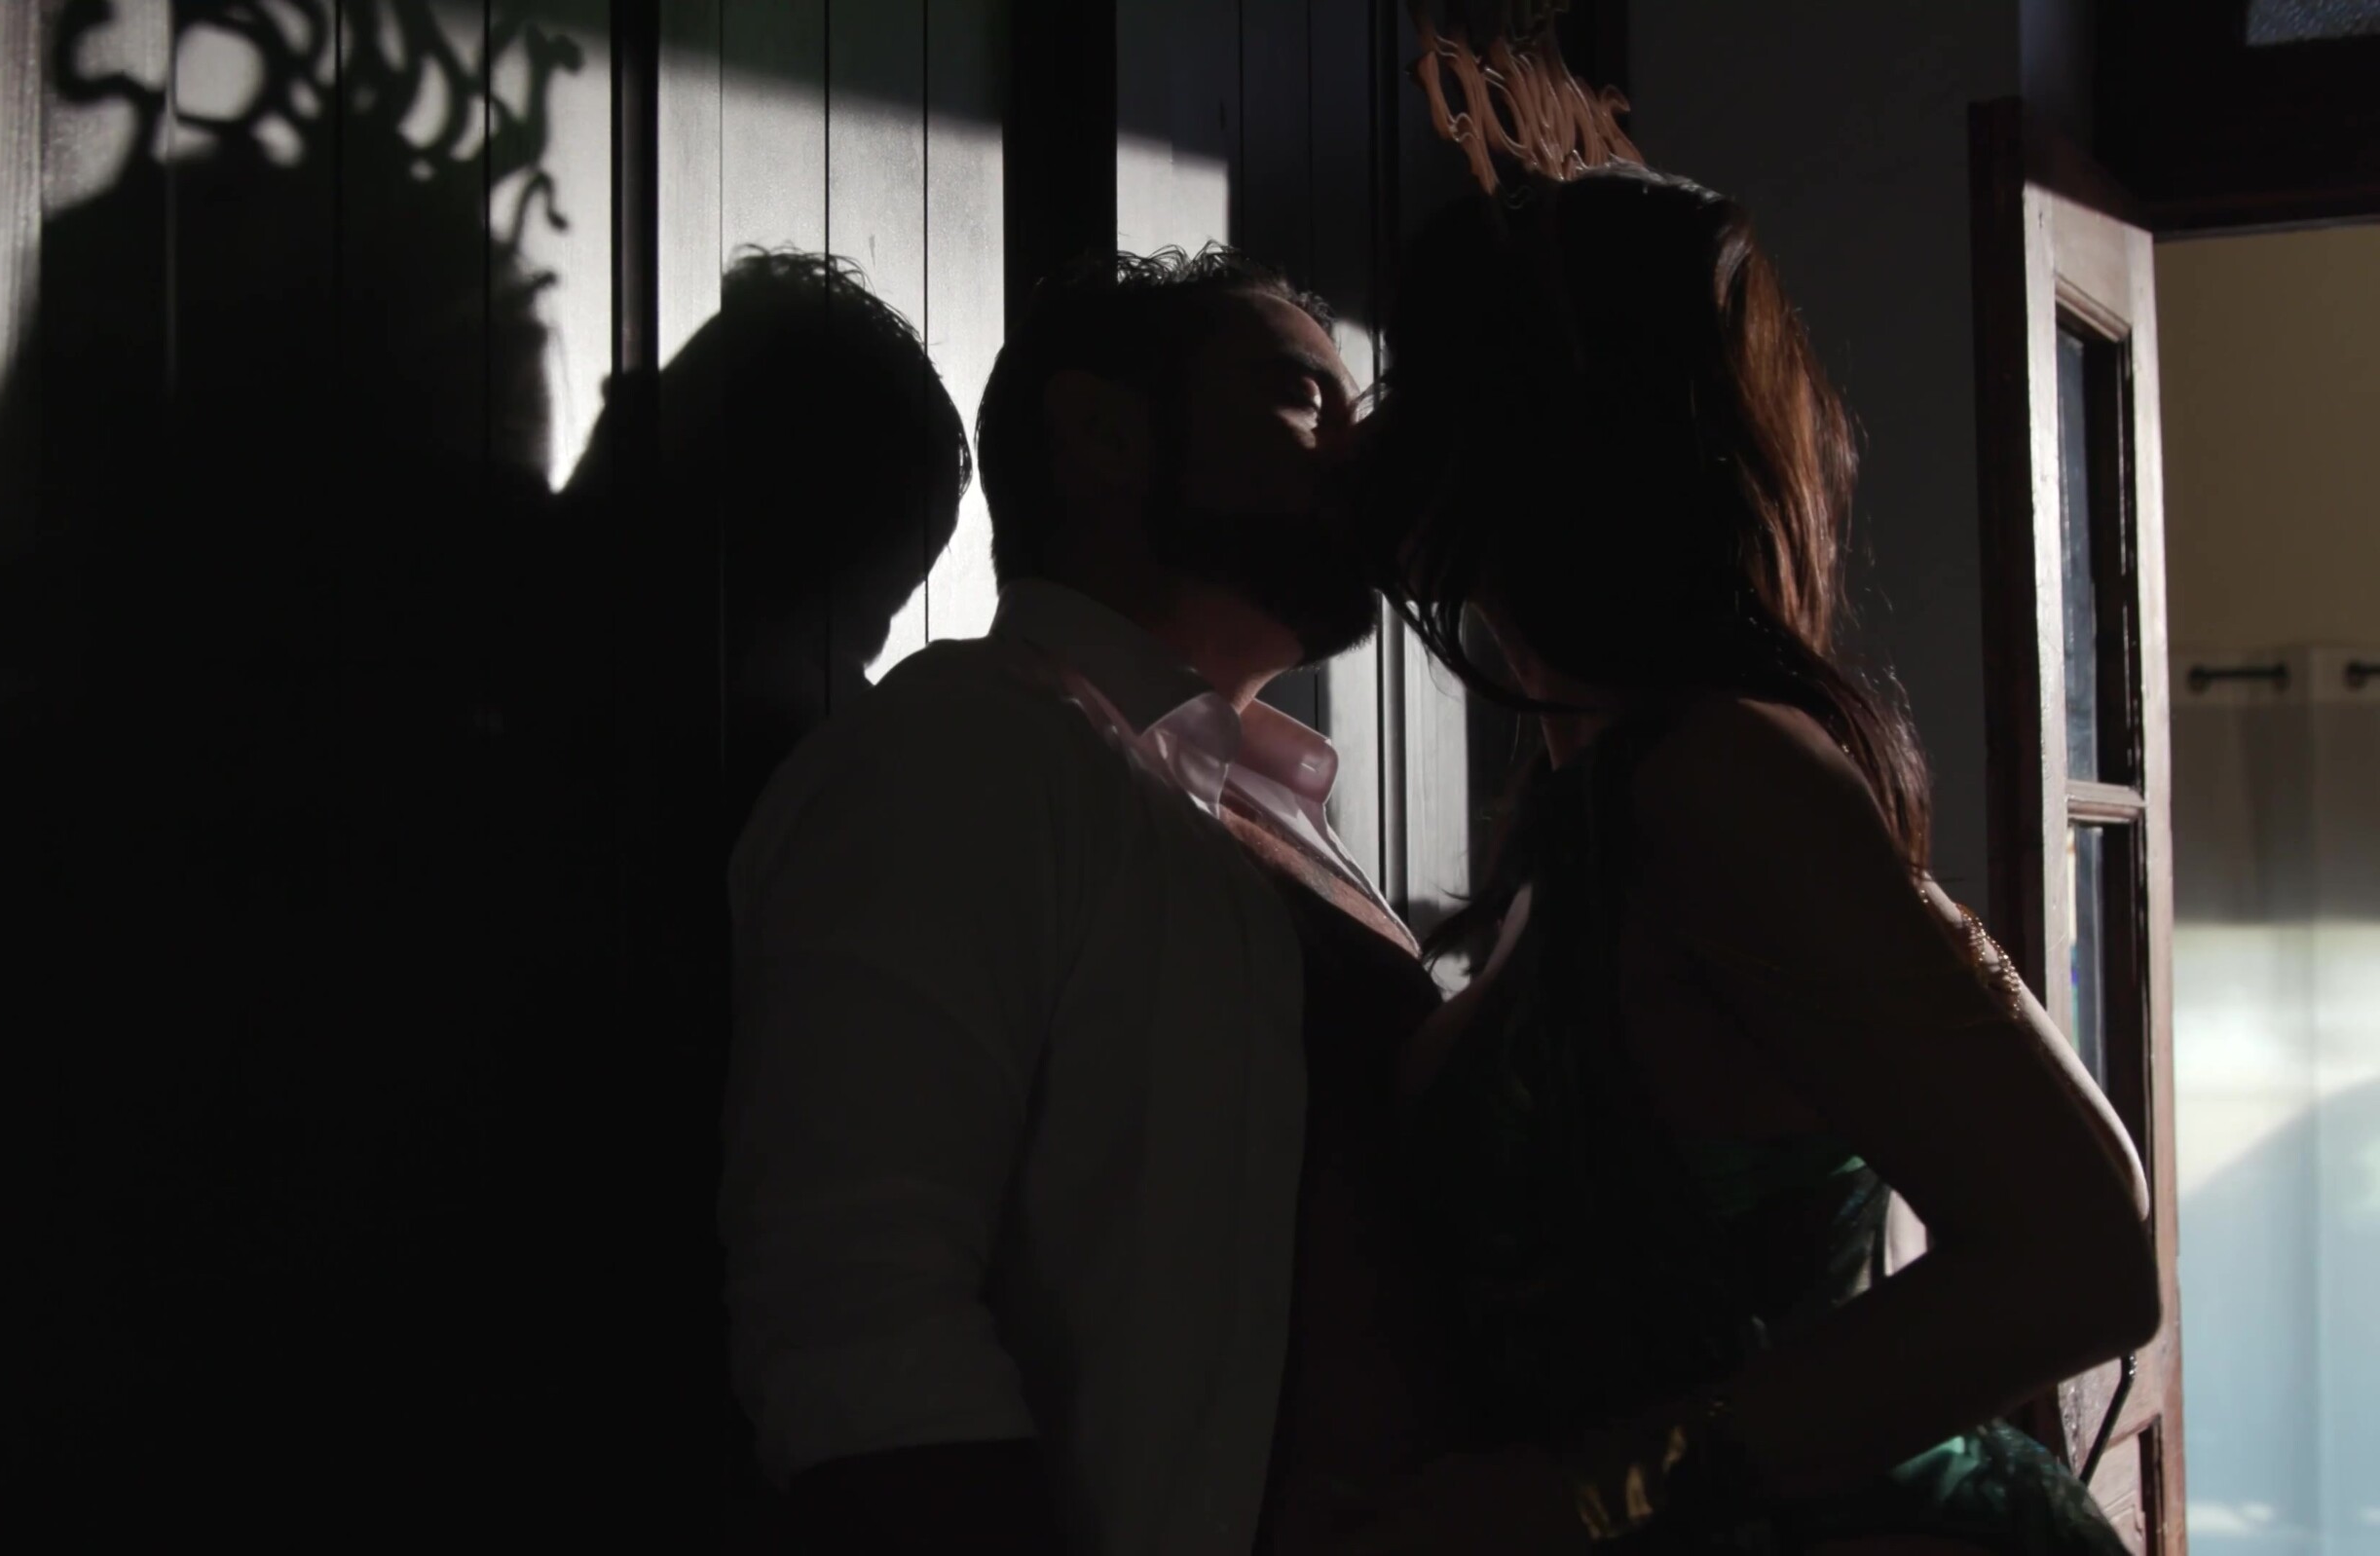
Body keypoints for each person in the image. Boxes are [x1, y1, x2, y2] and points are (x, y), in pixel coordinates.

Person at [1340, 164, 2163, 1553]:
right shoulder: (1597, 788)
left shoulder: (1718, 770)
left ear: (1535, 422)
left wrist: (1591, 1494)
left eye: (1417, 381)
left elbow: (2086, 1257)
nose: (1372, 431)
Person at [720, 245, 1441, 1555]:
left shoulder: (1276, 808)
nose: (1360, 457)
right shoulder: (964, 756)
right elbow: (859, 1307)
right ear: (1105, 434)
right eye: (1305, 399)